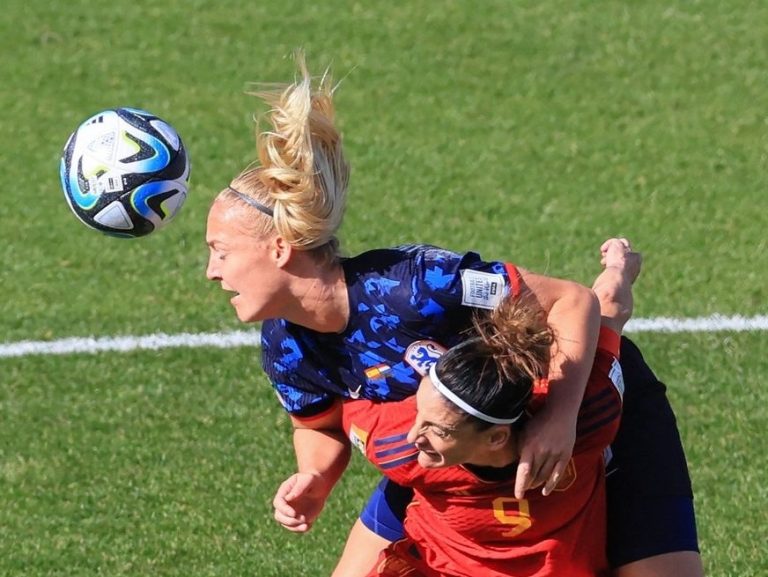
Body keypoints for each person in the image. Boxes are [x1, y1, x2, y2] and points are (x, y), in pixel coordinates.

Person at [204, 53, 703, 577]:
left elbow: (572, 302)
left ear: (280, 249)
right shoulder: (285, 343)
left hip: (579, 405)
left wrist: (558, 417)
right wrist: (314, 478)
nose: (213, 271)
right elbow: (319, 425)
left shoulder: (416, 286)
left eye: (221, 250)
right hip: (443, 452)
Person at [335, 238, 636, 576]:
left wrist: (617, 268)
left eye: (436, 429)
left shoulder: (588, 412)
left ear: (495, 438)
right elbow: (334, 386)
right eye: (419, 414)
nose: (413, 436)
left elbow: (608, 309)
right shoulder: (395, 443)